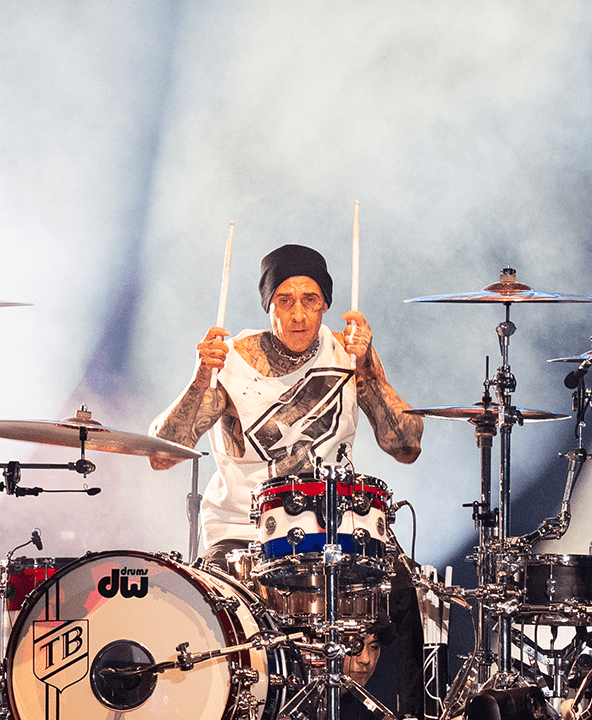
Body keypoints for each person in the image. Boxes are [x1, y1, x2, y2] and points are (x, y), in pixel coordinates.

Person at [148, 243, 426, 714]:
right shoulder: (231, 360)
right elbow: (160, 455)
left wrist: (370, 371)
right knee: (227, 632)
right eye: (285, 300)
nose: (298, 314)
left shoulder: (348, 355)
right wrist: (200, 380)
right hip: (243, 534)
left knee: (401, 594)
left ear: (326, 304)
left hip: (338, 533)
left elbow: (407, 446)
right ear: (268, 304)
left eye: (310, 300)